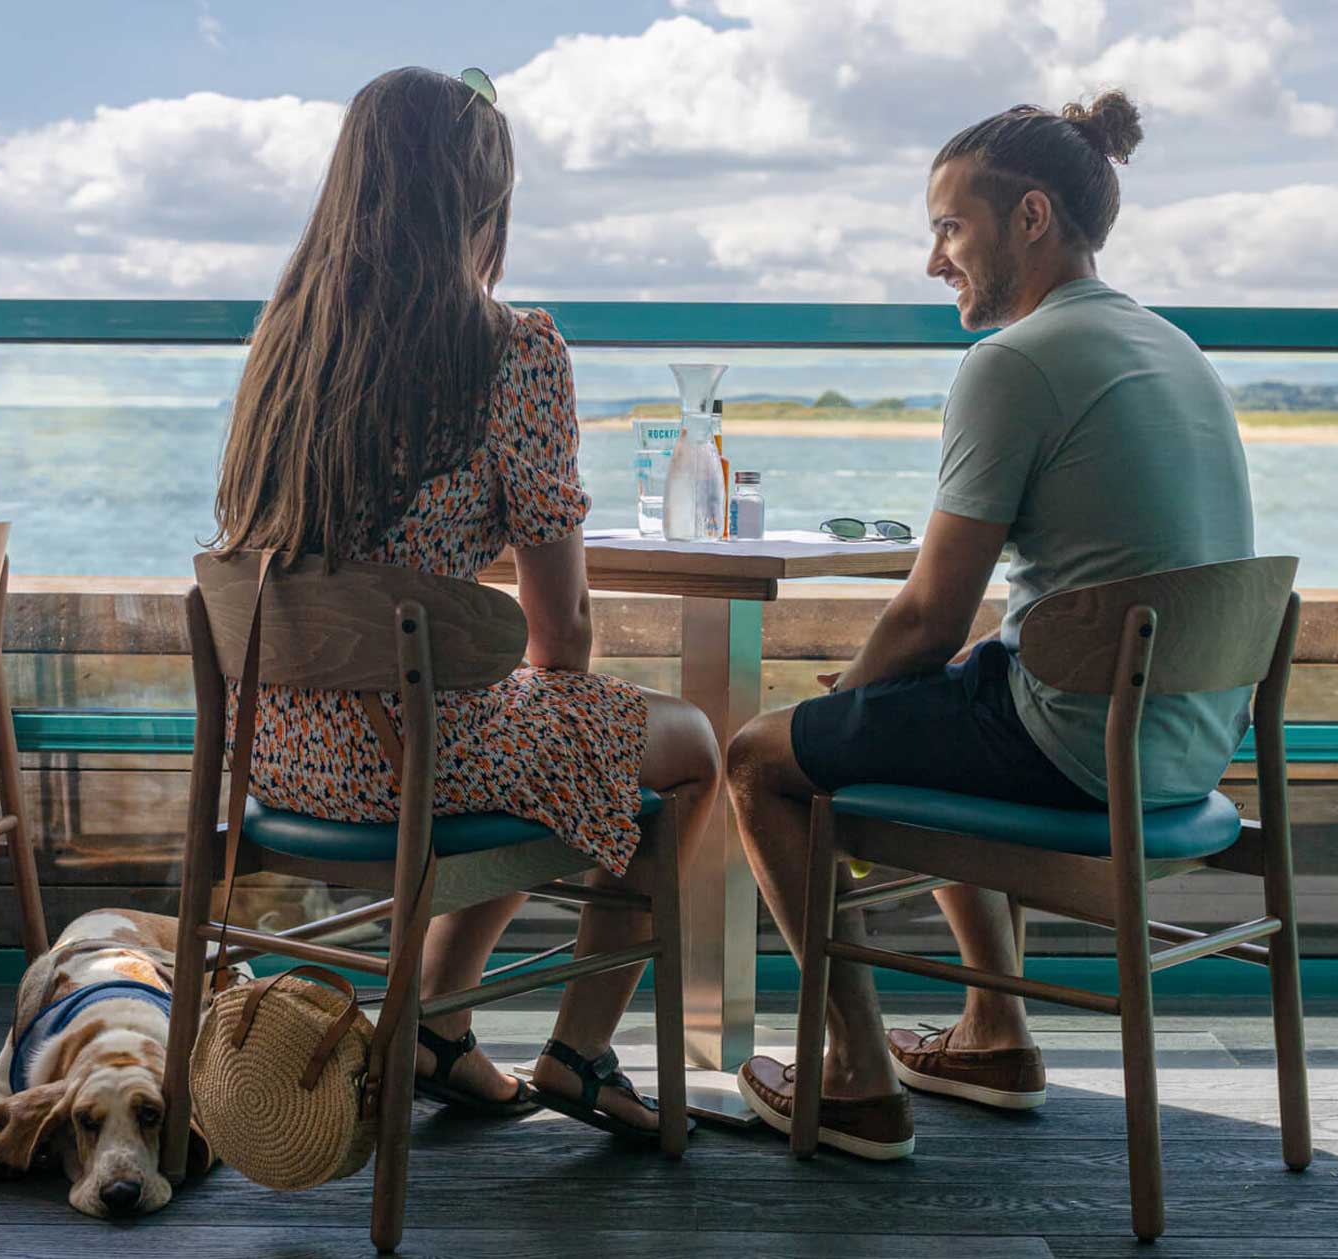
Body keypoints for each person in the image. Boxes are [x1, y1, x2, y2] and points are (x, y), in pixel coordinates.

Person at [729, 90, 1256, 1158]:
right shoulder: (1172, 346)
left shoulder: (1011, 364)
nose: (934, 261)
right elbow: (959, 644)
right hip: (1189, 743)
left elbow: (927, 613)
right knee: (970, 677)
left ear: (1029, 219)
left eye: (948, 228)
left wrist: (838, 706)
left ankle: (859, 1078)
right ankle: (994, 1032)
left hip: (1081, 747)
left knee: (756, 760)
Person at [210, 67, 720, 1140]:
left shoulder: (283, 347)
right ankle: (578, 1050)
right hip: (413, 752)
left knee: (531, 722)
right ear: (481, 204)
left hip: (276, 753)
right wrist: (562, 724)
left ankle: (439, 1025)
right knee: (688, 746)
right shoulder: (513, 350)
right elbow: (565, 629)